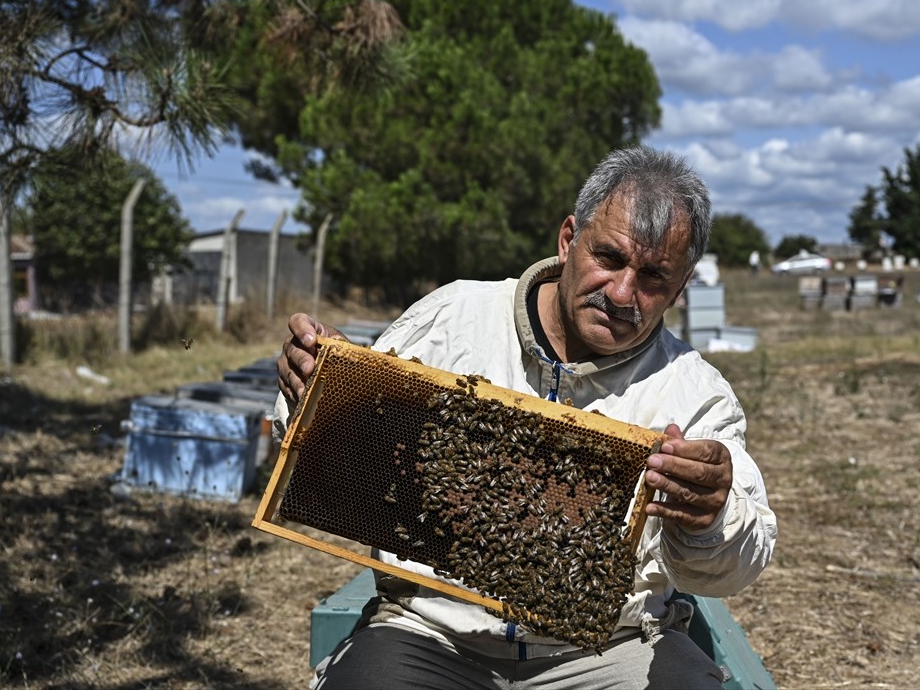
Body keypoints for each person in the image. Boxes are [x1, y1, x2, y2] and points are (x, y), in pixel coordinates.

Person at [274, 145, 777, 690]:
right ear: (568, 241)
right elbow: (328, 454)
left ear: (680, 289)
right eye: (608, 258)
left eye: (654, 277)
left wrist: (712, 516)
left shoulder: (696, 393)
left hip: (609, 649)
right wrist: (319, 394)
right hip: (431, 634)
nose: (622, 292)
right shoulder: (452, 319)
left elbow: (737, 565)